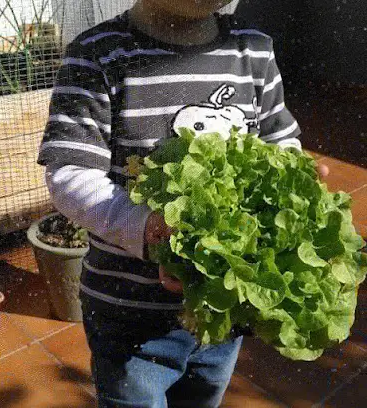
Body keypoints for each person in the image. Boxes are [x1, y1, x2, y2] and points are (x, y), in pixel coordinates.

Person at [37, 1, 329, 406]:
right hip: (130, 313)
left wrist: (292, 172)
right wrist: (146, 227)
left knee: (203, 397)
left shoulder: (253, 49)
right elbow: (69, 172)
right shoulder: (97, 53)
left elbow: (278, 141)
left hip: (221, 310)